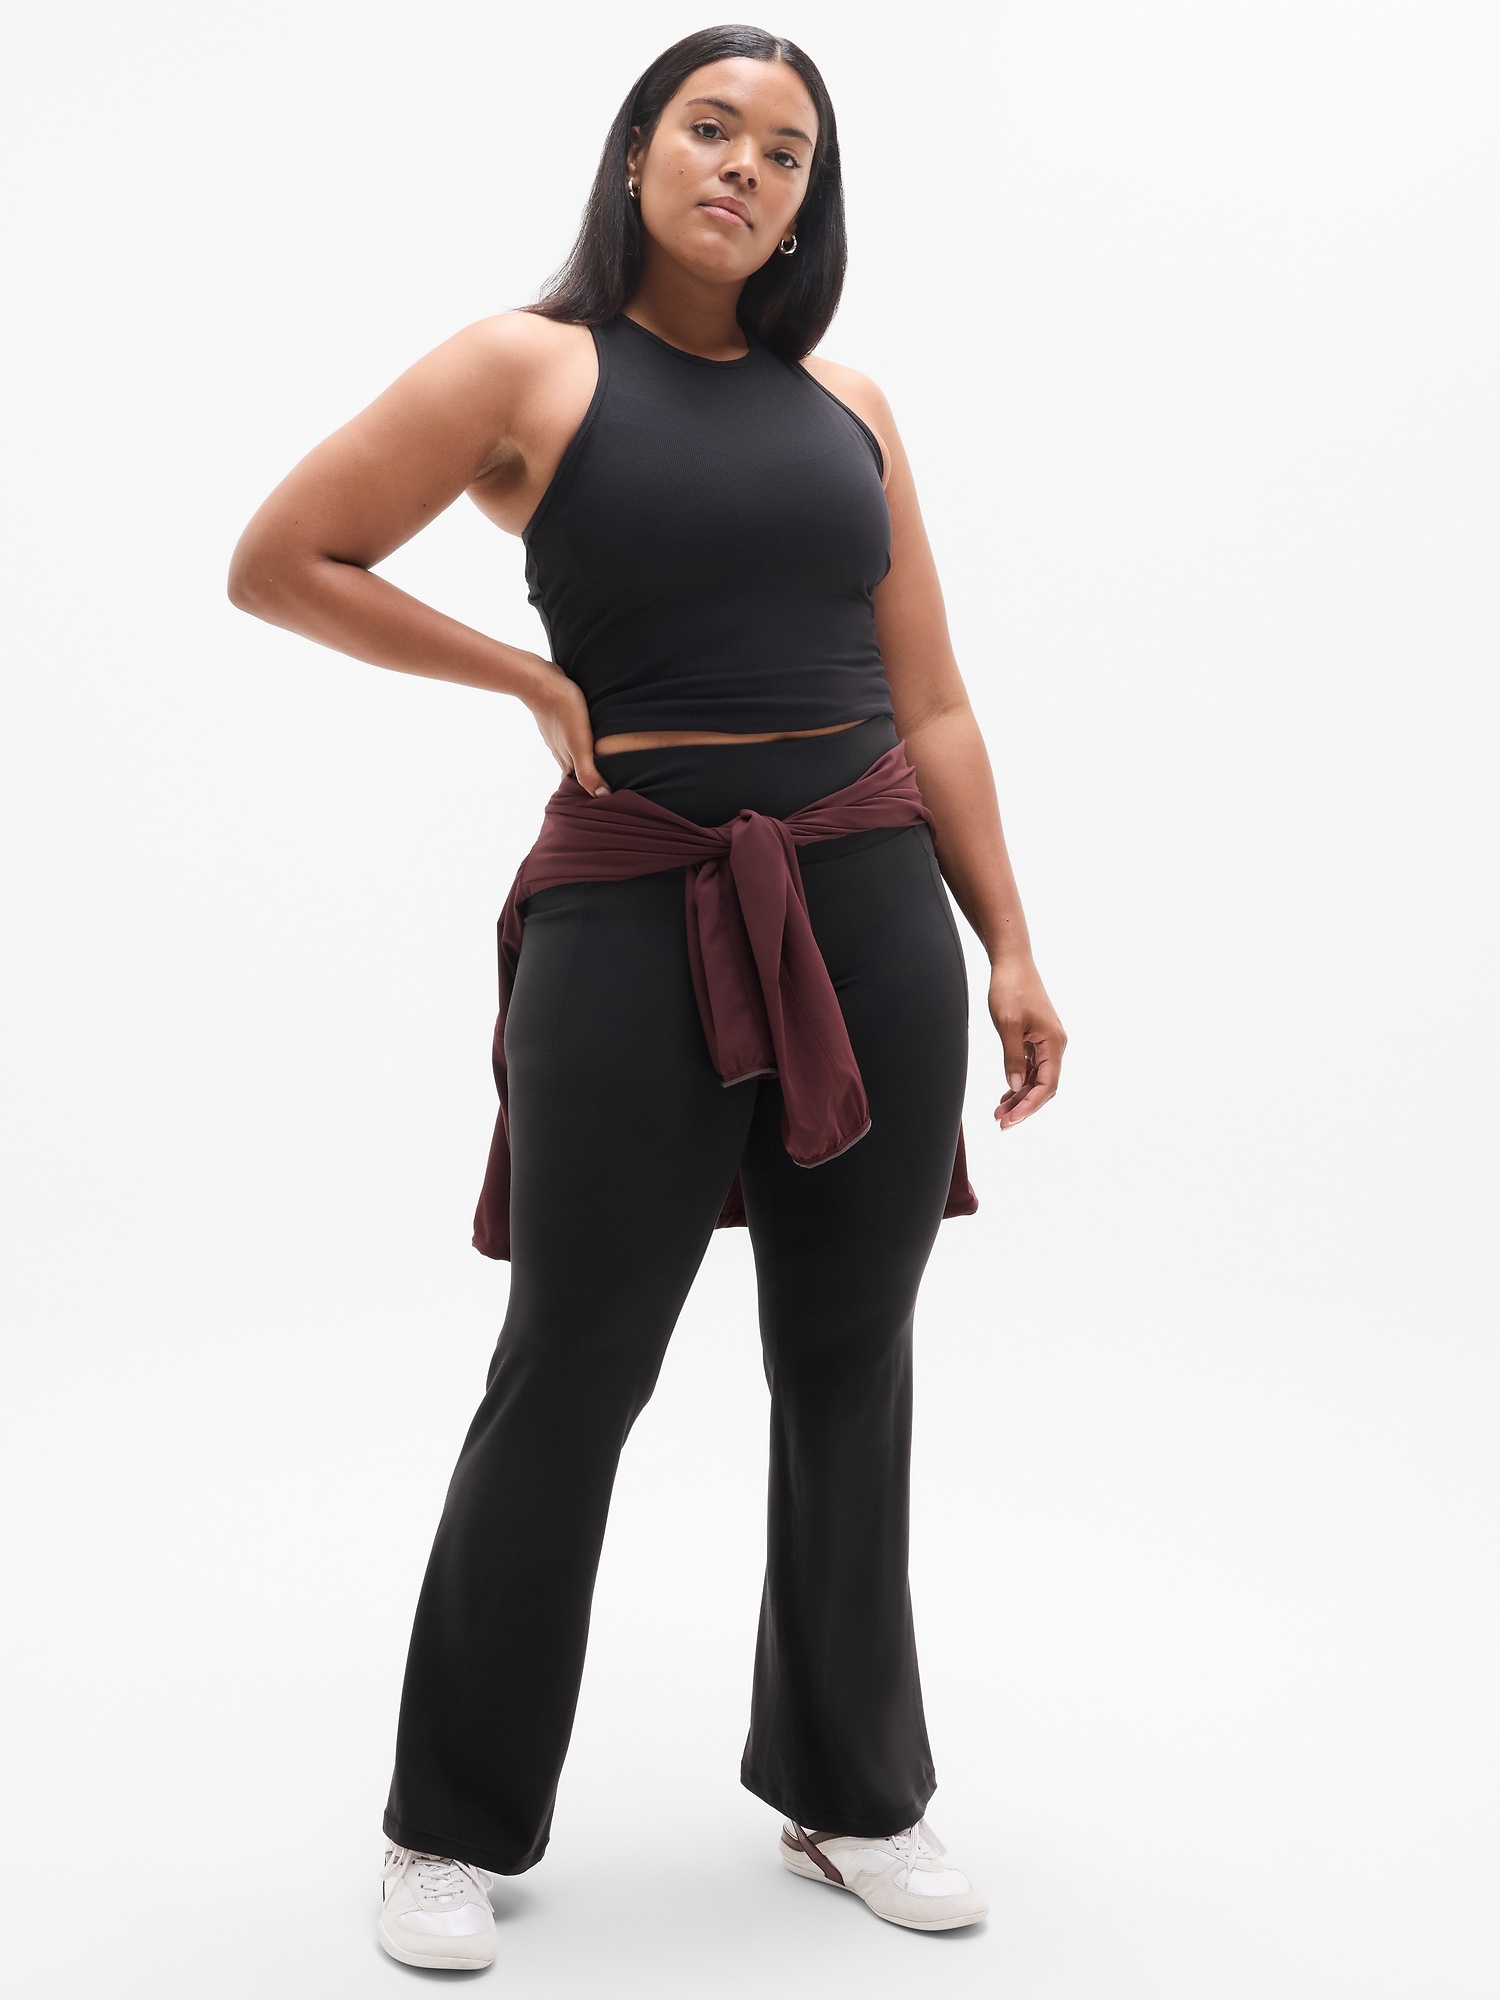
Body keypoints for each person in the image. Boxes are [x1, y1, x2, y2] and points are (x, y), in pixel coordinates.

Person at [228, 22, 1065, 1971]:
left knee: (849, 1362)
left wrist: (1010, 939)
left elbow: (933, 699)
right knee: (574, 1363)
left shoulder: (849, 406)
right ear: (637, 153)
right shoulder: (530, 368)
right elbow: (285, 558)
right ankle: (447, 1829)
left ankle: (853, 1795)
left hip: (869, 903)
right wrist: (526, 682)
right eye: (711, 127)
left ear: (808, 203)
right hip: (633, 905)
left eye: (788, 151)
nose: (745, 168)